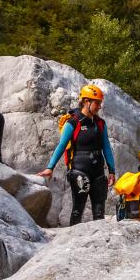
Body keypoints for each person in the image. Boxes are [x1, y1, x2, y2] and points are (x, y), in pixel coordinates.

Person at [38, 85, 116, 225]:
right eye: (97, 103)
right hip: (79, 171)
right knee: (77, 210)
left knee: (99, 212)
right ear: (87, 102)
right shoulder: (73, 122)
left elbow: (107, 148)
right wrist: (50, 167)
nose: (99, 107)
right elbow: (61, 146)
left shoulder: (100, 123)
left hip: (98, 172)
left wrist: (112, 170)